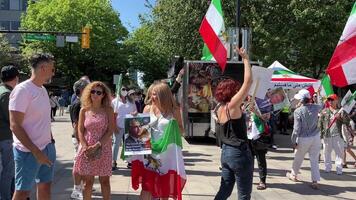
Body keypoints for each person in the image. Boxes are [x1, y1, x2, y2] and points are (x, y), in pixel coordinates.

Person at [9, 53, 56, 200]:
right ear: (43, 68)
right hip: (28, 152)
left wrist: (50, 142)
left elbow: (43, 120)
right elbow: (15, 125)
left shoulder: (42, 89)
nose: (53, 72)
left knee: (45, 186)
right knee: (22, 192)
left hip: (47, 148)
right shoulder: (22, 90)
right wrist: (36, 152)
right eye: (52, 69)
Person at [131, 82, 185, 200]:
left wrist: (174, 127)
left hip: (167, 154)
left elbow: (181, 130)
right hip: (149, 152)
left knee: (163, 187)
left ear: (164, 95)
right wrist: (134, 120)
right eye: (152, 94)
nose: (152, 97)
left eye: (155, 94)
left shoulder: (174, 110)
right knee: (147, 186)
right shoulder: (148, 108)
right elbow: (141, 129)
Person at [214, 47, 253, 200]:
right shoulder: (231, 106)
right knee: (244, 194)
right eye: (236, 90)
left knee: (224, 190)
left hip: (226, 153)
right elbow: (248, 81)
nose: (238, 91)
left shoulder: (220, 108)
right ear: (232, 92)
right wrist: (245, 58)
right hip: (239, 152)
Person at [73, 81, 114, 200]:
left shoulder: (108, 110)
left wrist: (97, 145)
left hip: (103, 147)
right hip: (87, 149)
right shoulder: (84, 110)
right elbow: (80, 130)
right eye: (92, 91)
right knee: (88, 182)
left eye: (98, 92)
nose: (95, 94)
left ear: (103, 95)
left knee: (104, 181)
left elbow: (110, 130)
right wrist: (85, 146)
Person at [287, 89, 323, 189]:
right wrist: (319, 95)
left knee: (298, 157)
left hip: (304, 138)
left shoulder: (298, 111)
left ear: (302, 100)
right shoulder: (316, 107)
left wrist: (293, 141)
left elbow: (296, 129)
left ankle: (293, 175)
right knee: (314, 160)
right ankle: (315, 181)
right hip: (315, 136)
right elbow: (322, 105)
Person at [319, 94, 352, 175]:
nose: (330, 101)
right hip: (327, 135)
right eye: (329, 100)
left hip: (338, 135)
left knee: (339, 153)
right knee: (326, 152)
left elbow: (347, 122)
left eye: (332, 100)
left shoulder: (341, 111)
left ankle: (339, 169)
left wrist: (339, 117)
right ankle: (327, 168)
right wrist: (320, 136)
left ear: (336, 100)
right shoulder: (324, 111)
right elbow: (320, 124)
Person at [0, 65, 19, 199]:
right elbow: (11, 118)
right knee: (8, 172)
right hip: (6, 137)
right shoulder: (7, 94)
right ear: (16, 78)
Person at [69, 78, 90, 199]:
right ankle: (77, 190)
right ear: (82, 90)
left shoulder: (81, 102)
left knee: (82, 164)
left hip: (81, 138)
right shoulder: (77, 104)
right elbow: (76, 125)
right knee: (79, 164)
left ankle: (81, 187)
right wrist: (80, 142)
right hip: (78, 138)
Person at [111, 87, 137, 170]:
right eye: (122, 89)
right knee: (116, 144)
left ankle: (129, 162)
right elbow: (111, 115)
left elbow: (135, 111)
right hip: (118, 126)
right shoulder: (114, 101)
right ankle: (113, 161)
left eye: (125, 89)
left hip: (129, 126)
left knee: (129, 144)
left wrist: (134, 113)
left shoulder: (131, 101)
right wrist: (114, 125)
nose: (124, 91)